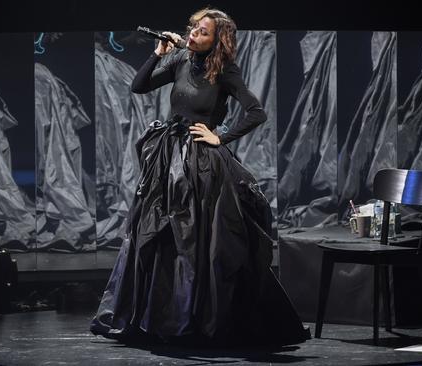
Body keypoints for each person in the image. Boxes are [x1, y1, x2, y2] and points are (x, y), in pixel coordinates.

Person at [90, 7, 309, 346]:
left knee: (199, 241)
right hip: (167, 159)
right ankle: (163, 319)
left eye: (202, 32)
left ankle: (198, 320)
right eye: (192, 28)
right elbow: (138, 87)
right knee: (160, 237)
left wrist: (220, 137)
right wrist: (158, 53)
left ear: (217, 40)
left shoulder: (225, 71)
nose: (192, 34)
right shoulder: (178, 61)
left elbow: (256, 112)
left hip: (201, 165)